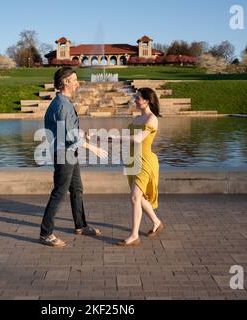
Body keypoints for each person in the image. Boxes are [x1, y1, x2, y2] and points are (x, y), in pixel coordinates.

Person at [40, 67, 108, 248]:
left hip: (70, 152)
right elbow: (67, 134)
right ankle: (46, 233)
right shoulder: (62, 104)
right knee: (59, 193)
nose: (78, 83)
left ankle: (81, 225)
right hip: (64, 154)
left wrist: (82, 133)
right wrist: (91, 147)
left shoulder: (64, 102)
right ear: (66, 82)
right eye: (75, 80)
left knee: (77, 189)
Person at [109, 88, 164, 247]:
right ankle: (156, 222)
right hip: (132, 160)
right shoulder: (137, 118)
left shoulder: (152, 119)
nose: (135, 99)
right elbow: (129, 139)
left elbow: (139, 138)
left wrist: (118, 137)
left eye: (138, 97)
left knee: (134, 197)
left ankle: (134, 236)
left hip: (145, 161)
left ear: (146, 100)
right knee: (139, 197)